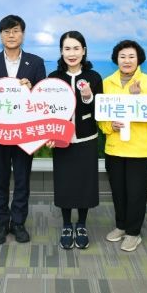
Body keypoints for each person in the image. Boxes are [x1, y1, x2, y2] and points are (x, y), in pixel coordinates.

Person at [0, 15, 46, 245]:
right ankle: (1, 223)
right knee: (0, 181)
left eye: (15, 31)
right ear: (1, 35)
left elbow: (42, 99)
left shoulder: (36, 62)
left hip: (25, 133)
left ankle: (18, 223)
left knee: (22, 180)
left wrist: (32, 89)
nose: (11, 35)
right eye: (6, 32)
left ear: (23, 34)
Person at [99, 40, 147, 252]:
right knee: (118, 191)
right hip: (114, 147)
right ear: (116, 59)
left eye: (131, 56)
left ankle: (133, 233)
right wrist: (109, 126)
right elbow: (101, 115)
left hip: (139, 149)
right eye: (122, 56)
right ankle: (121, 226)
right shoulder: (107, 83)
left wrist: (137, 98)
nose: (127, 60)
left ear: (139, 59)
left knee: (136, 193)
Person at [47, 31, 103, 250]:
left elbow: (100, 110)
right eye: (67, 48)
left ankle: (81, 224)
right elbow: (46, 109)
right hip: (61, 139)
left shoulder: (94, 77)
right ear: (61, 51)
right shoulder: (54, 77)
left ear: (84, 50)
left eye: (76, 48)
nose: (72, 53)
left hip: (86, 138)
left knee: (84, 183)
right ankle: (66, 225)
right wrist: (49, 133)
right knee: (65, 183)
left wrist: (88, 96)